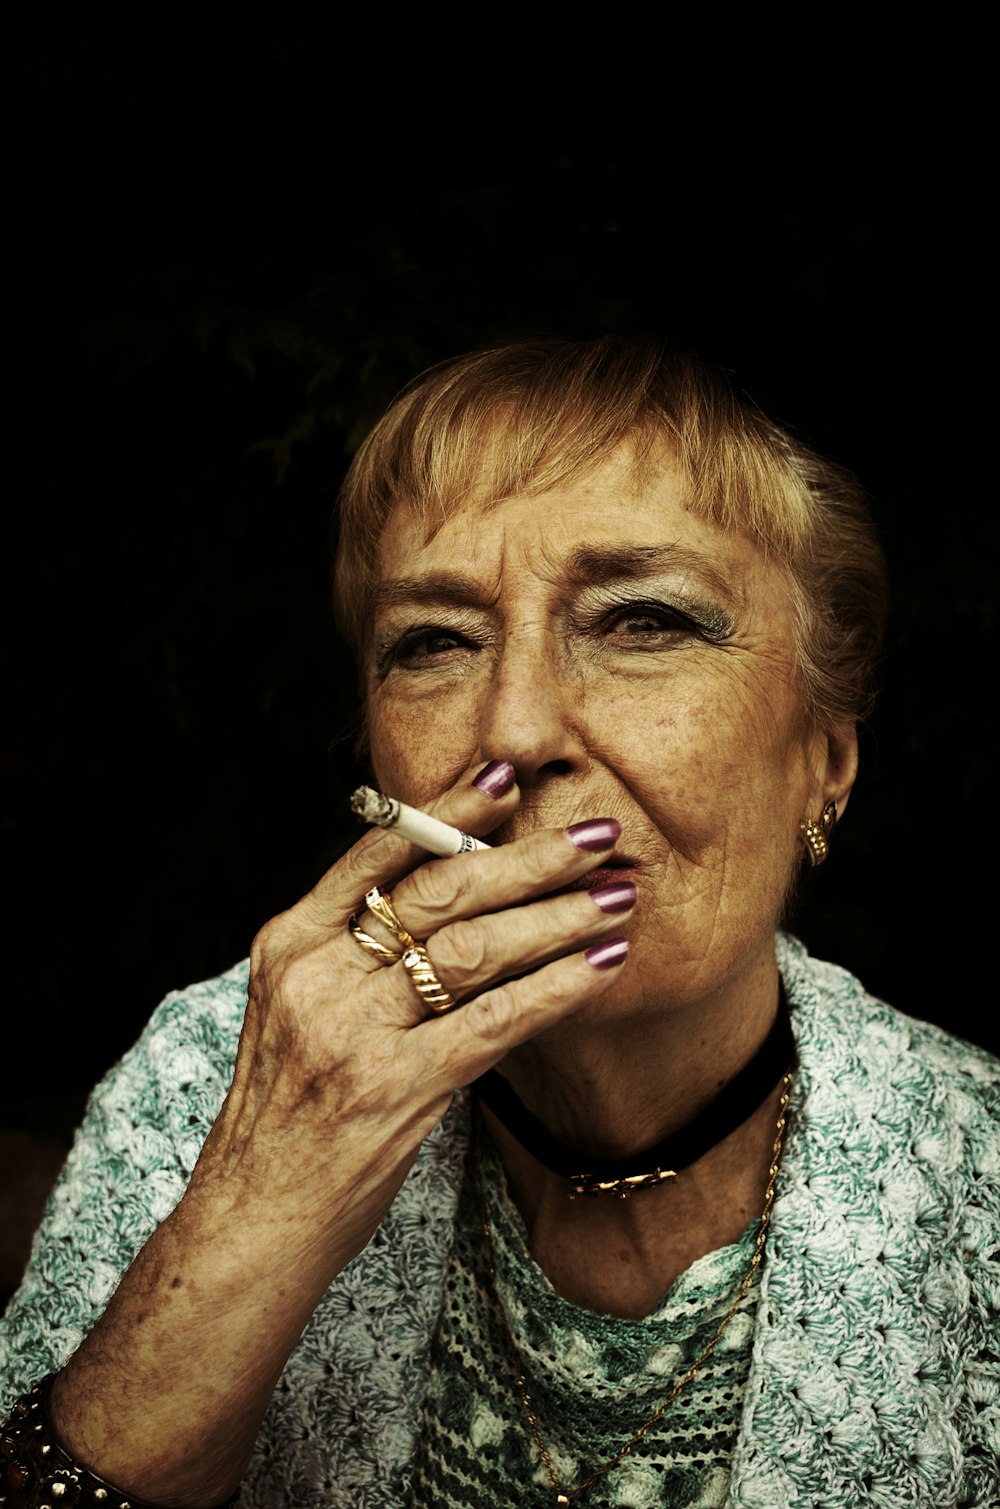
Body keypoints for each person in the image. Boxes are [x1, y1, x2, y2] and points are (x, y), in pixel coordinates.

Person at [1, 337, 996, 1509]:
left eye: (642, 622)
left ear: (822, 763)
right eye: (433, 642)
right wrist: (257, 1207)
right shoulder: (211, 1084)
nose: (516, 730)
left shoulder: (979, 1195)